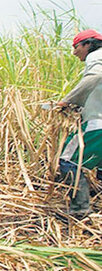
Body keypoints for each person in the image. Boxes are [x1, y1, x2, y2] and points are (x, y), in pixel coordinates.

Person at [57, 29, 102, 217]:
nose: (75, 53)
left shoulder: (97, 56)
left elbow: (94, 77)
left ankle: (80, 209)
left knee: (67, 160)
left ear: (87, 44)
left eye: (76, 47)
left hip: (98, 124)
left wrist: (68, 100)